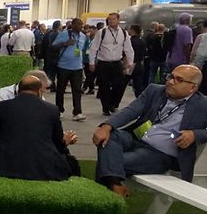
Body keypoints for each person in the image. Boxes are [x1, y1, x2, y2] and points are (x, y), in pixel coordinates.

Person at [92, 65, 207, 197]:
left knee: (113, 160)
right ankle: (114, 186)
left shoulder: (203, 105)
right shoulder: (155, 90)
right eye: (171, 76)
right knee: (108, 136)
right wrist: (106, 126)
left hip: (159, 154)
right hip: (136, 138)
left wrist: (195, 135)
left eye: (179, 80)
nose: (170, 82)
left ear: (192, 88)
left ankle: (109, 189)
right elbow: (131, 111)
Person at [0, 76, 77, 181]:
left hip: (4, 164)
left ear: (19, 90)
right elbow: (57, 142)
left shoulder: (4, 106)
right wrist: (65, 141)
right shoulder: (52, 110)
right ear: (39, 91)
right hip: (42, 167)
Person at [0, 69, 49, 147]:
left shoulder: (38, 96)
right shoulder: (2, 94)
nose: (42, 93)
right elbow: (3, 121)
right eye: (41, 90)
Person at [88, 12, 134, 116]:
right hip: (103, 63)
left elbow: (128, 49)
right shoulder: (102, 32)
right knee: (104, 86)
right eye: (109, 19)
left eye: (113, 19)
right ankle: (106, 108)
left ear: (118, 20)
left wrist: (130, 62)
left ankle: (113, 104)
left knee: (119, 85)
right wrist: (91, 63)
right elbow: (93, 48)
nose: (111, 21)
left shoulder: (124, 33)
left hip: (117, 63)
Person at [52, 17, 88, 121]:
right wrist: (65, 43)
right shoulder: (64, 34)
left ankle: (77, 112)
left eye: (81, 25)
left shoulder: (83, 36)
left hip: (77, 67)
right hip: (63, 66)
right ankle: (59, 110)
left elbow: (83, 50)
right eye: (78, 24)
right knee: (61, 89)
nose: (80, 27)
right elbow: (53, 46)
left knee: (77, 90)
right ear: (72, 25)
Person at [41, 20, 62, 90]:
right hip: (55, 55)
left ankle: (51, 85)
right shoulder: (57, 34)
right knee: (54, 72)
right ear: (58, 26)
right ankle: (52, 85)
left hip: (49, 55)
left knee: (51, 72)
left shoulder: (49, 33)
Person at [128, 24, 148, 97]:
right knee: (138, 86)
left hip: (130, 64)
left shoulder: (129, 41)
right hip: (139, 64)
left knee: (121, 84)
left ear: (132, 30)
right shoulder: (142, 41)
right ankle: (140, 100)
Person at [82, 25, 97, 94]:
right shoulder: (86, 38)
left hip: (93, 59)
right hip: (85, 59)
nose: (89, 32)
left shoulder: (96, 39)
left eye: (91, 31)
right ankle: (91, 89)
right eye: (89, 31)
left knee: (90, 75)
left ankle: (84, 87)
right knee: (88, 74)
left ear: (95, 30)